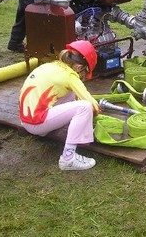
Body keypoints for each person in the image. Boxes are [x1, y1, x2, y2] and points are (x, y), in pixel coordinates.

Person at [19, 40, 100, 171]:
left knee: (71, 94)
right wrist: (94, 113)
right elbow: (92, 105)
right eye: (85, 73)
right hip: (36, 123)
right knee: (84, 107)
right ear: (79, 67)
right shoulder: (70, 76)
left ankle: (51, 130)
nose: (83, 77)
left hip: (26, 119)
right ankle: (68, 158)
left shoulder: (52, 66)